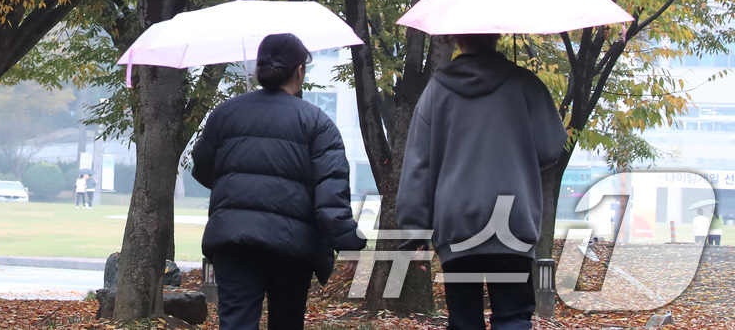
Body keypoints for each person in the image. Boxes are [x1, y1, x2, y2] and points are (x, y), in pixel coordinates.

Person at [191, 33, 365, 330]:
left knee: (236, 322)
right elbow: (331, 195)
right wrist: (349, 244)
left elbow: (203, 169)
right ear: (300, 70)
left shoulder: (224, 114)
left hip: (232, 238)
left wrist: (240, 190)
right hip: (291, 243)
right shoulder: (317, 123)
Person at [397, 33, 568, 330]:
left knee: (464, 321)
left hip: (458, 223)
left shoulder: (435, 92)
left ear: (456, 40)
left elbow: (418, 166)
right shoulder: (524, 83)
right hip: (512, 219)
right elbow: (551, 148)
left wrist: (414, 233)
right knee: (514, 318)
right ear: (498, 36)